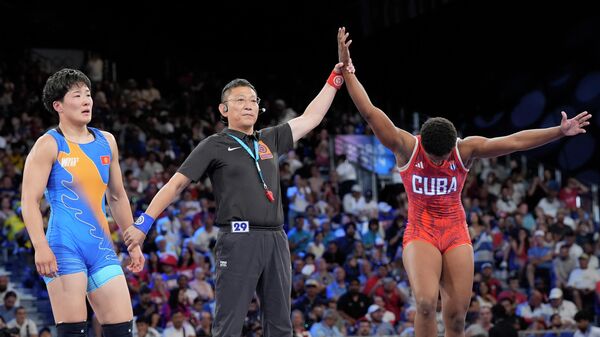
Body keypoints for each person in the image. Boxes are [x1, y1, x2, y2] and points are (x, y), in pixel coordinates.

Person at [337, 26, 592, 337]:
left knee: (457, 317)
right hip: (421, 232)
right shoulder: (406, 146)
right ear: (423, 146)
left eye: (443, 158)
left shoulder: (466, 150)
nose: (439, 163)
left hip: (456, 231)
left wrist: (559, 132)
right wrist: (348, 71)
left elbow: (513, 142)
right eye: (434, 159)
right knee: (427, 303)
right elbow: (368, 112)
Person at [123, 63, 346, 336]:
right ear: (223, 109)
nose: (249, 105)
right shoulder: (213, 145)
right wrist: (143, 223)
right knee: (229, 325)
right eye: (240, 100)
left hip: (276, 239)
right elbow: (176, 185)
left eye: (253, 100)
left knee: (281, 325)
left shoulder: (270, 139)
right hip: (238, 239)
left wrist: (336, 77)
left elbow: (312, 117)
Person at [21, 68, 144, 337]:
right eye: (77, 95)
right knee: (73, 331)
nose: (87, 101)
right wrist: (40, 247)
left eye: (88, 94)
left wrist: (133, 243)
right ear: (59, 106)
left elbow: (117, 196)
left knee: (122, 328)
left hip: (101, 247)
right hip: (64, 247)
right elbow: (29, 201)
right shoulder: (49, 144)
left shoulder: (106, 141)